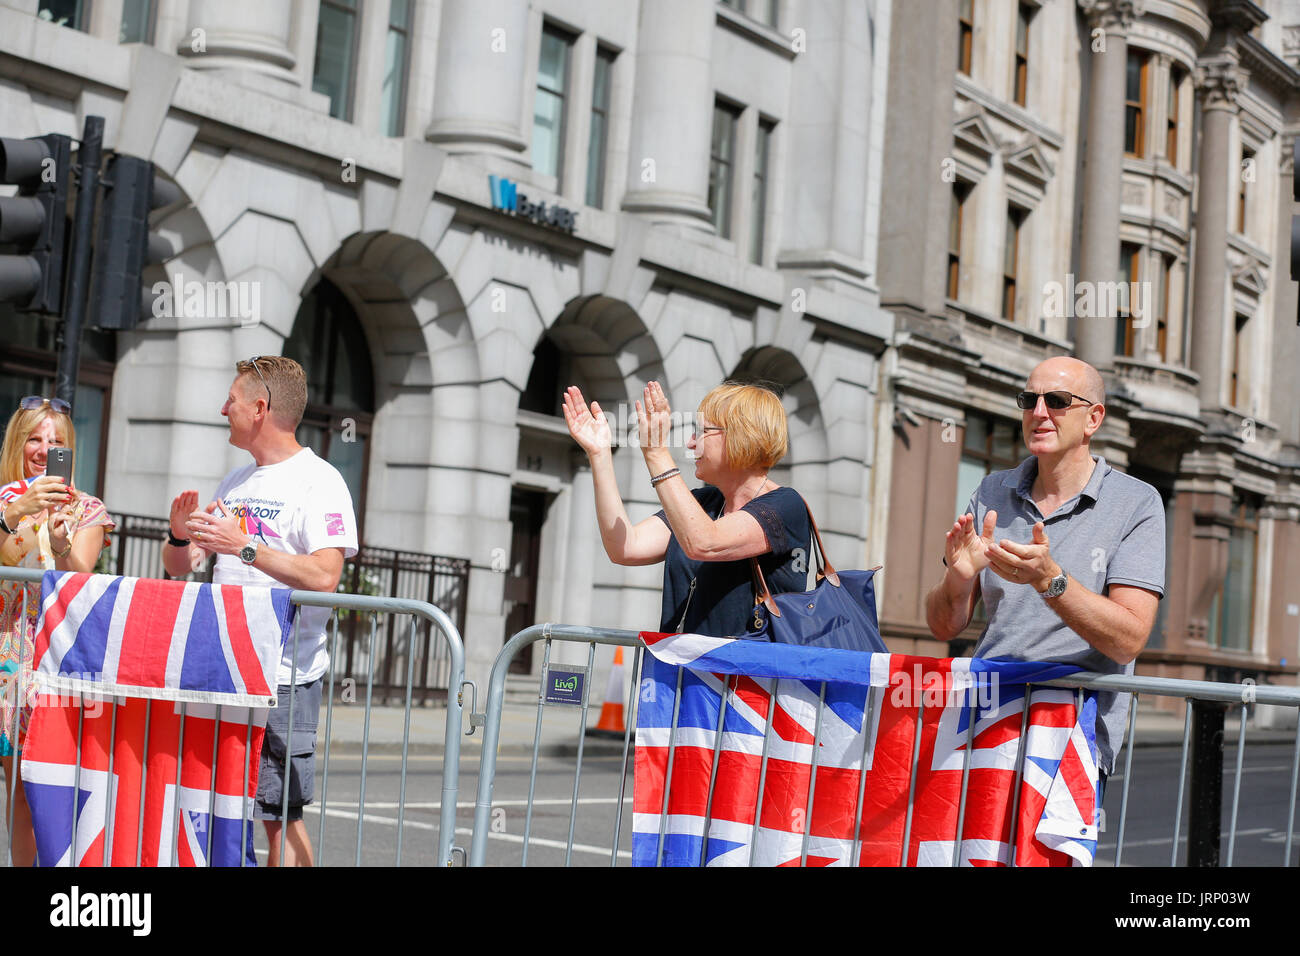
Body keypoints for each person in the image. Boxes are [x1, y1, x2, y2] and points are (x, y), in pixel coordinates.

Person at [924, 356, 1165, 780]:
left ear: (1093, 418)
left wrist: (1050, 581)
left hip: (1069, 740)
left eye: (1056, 400)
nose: (1038, 413)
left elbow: (1129, 638)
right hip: (985, 722)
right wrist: (957, 579)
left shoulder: (1137, 503)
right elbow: (943, 627)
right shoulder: (991, 490)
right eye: (1028, 400)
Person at [162, 357, 357, 867]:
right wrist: (180, 535)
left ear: (260, 408)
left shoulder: (321, 480)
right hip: (225, 668)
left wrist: (245, 546)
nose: (222, 408)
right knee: (217, 803)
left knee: (278, 814)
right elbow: (181, 565)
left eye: (231, 400)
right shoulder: (236, 480)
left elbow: (324, 576)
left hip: (284, 676)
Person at [563, 380, 810, 637]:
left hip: (742, 676)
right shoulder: (704, 502)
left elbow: (704, 543)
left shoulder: (786, 505)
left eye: (702, 431)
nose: (692, 443)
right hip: (680, 672)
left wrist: (657, 452)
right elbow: (625, 547)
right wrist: (599, 453)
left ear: (741, 434)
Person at [0, 396, 114, 865]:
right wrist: (18, 511)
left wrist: (61, 539)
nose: (45, 449)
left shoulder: (86, 507)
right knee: (16, 795)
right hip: (7, 660)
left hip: (57, 664)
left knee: (43, 791)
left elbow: (81, 574)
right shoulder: (4, 500)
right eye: (35, 438)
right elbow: (7, 559)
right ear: (18, 443)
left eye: (57, 441)